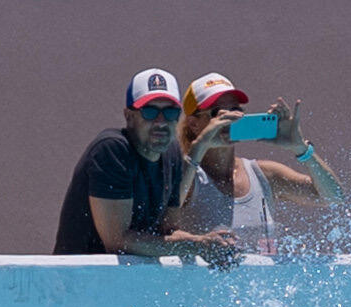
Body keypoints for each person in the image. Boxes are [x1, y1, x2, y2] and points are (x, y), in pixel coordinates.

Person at [53, 68, 238, 264]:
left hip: (131, 282)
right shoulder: (112, 150)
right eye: (150, 111)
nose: (161, 122)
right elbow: (118, 241)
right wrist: (197, 245)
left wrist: (214, 244)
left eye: (170, 112)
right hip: (79, 282)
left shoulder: (172, 152)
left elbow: (169, 230)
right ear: (129, 116)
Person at [166, 72, 344, 254]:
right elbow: (162, 218)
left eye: (236, 110)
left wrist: (301, 149)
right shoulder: (185, 176)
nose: (230, 119)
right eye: (218, 113)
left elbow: (334, 197)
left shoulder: (266, 174)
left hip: (262, 282)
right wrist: (200, 146)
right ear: (194, 124)